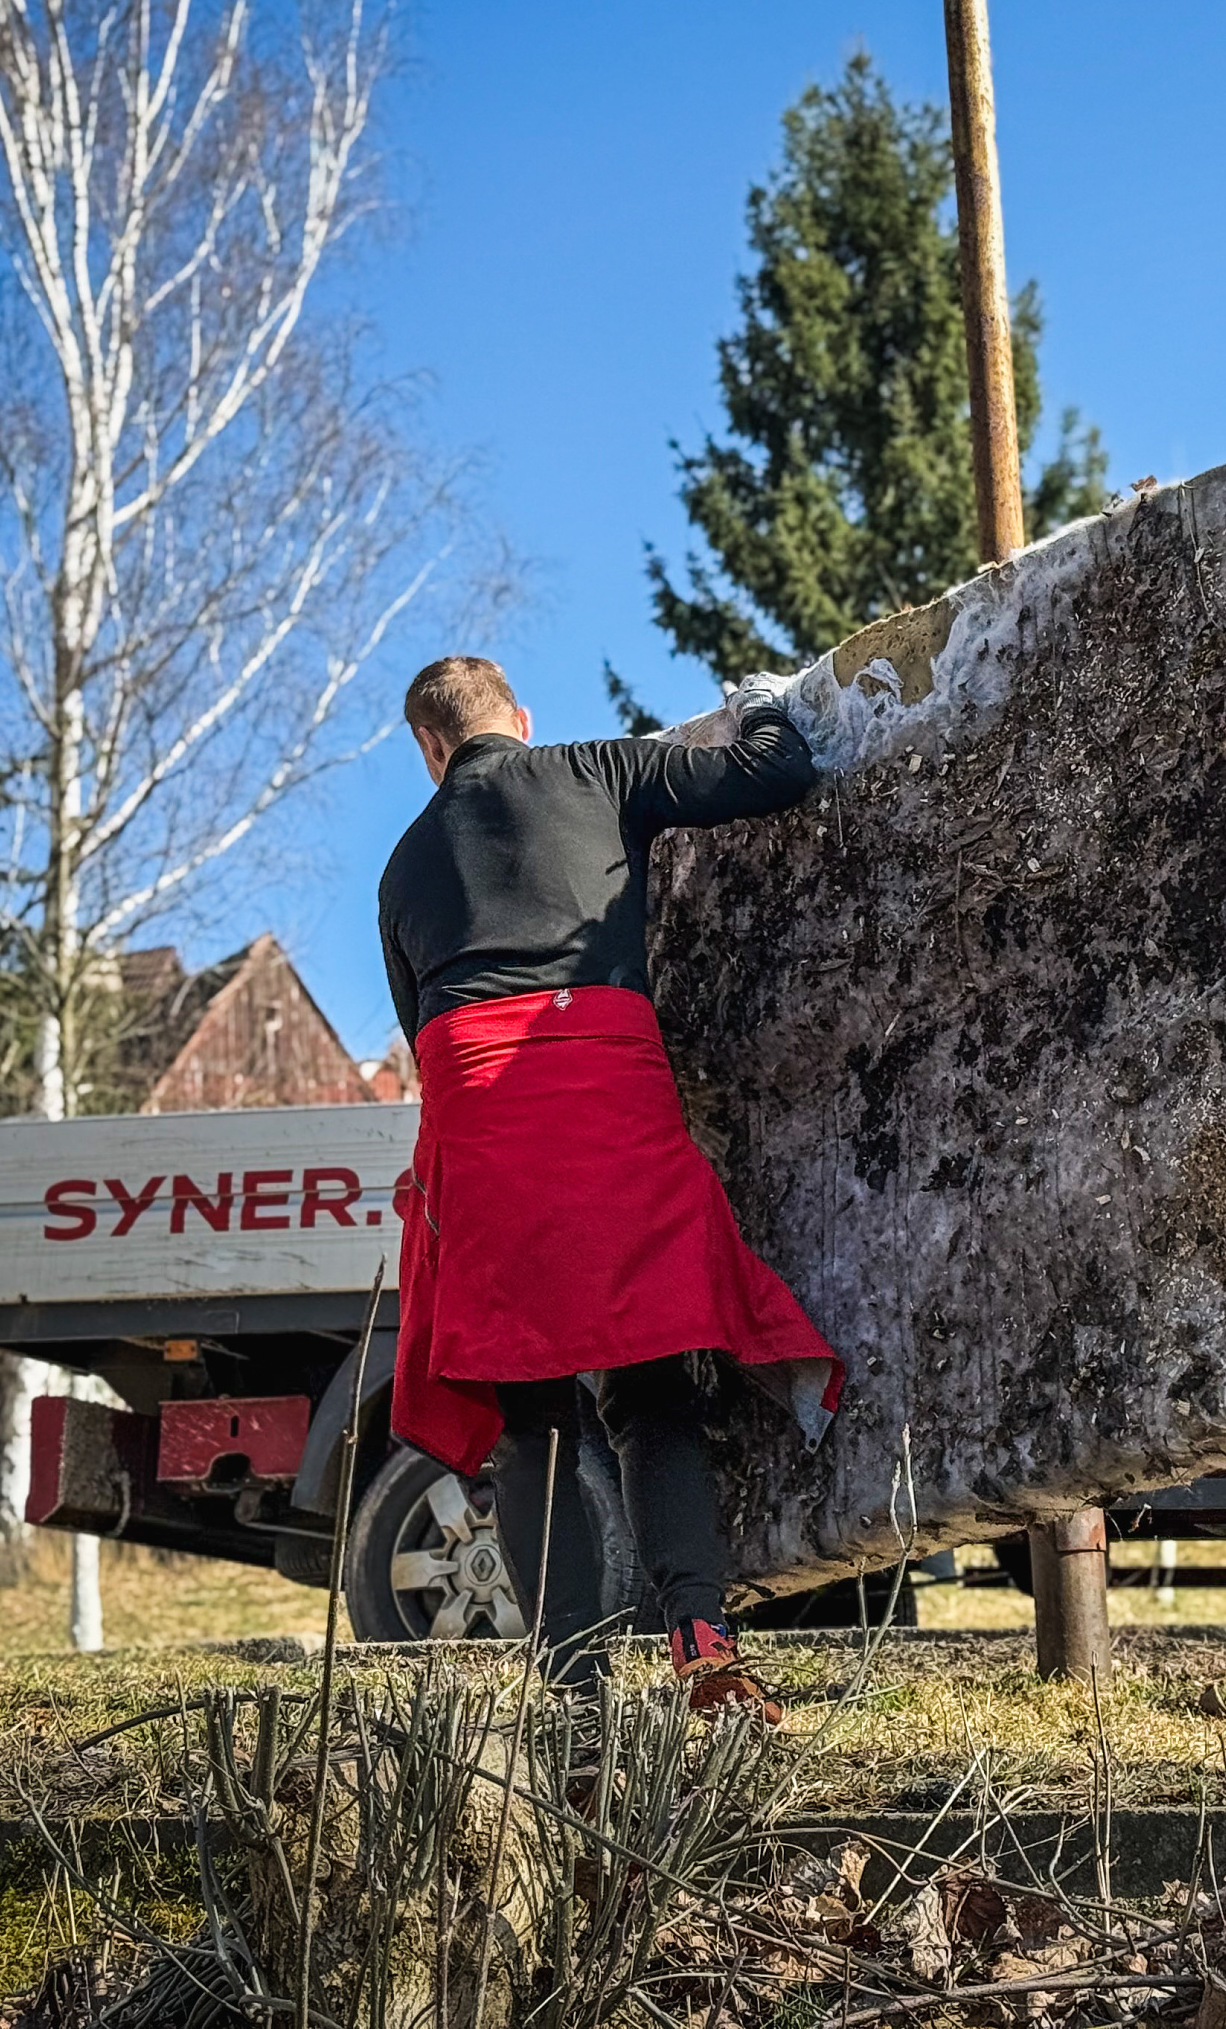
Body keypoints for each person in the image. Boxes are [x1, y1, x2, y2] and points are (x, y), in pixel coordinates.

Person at [378, 654, 840, 1715]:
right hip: (606, 1100)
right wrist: (764, 704)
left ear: (430, 749)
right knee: (651, 1391)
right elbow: (775, 773)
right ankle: (702, 1641)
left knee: (535, 1426)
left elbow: (423, 1038)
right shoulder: (596, 771)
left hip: (487, 1130)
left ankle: (575, 1687)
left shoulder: (402, 868)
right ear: (520, 720)